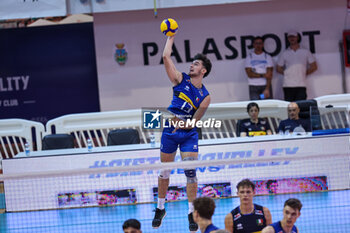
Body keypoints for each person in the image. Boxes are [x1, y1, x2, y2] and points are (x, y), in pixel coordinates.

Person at [152, 32, 212, 232]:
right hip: (170, 130)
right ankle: (160, 208)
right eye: (192, 63)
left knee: (190, 172)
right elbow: (165, 57)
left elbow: (196, 121)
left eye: (195, 64)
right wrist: (171, 36)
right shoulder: (180, 79)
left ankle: (191, 212)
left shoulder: (205, 96)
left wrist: (185, 124)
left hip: (188, 134)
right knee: (164, 171)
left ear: (203, 70)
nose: (191, 65)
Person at [276, 30, 318, 101]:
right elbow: (278, 68)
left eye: (293, 37)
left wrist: (304, 73)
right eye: (290, 37)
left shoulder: (305, 52)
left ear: (297, 37)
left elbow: (314, 66)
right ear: (288, 39)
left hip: (301, 84)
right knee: (289, 107)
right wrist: (287, 73)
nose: (292, 38)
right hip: (288, 85)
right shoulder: (285, 53)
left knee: (301, 107)